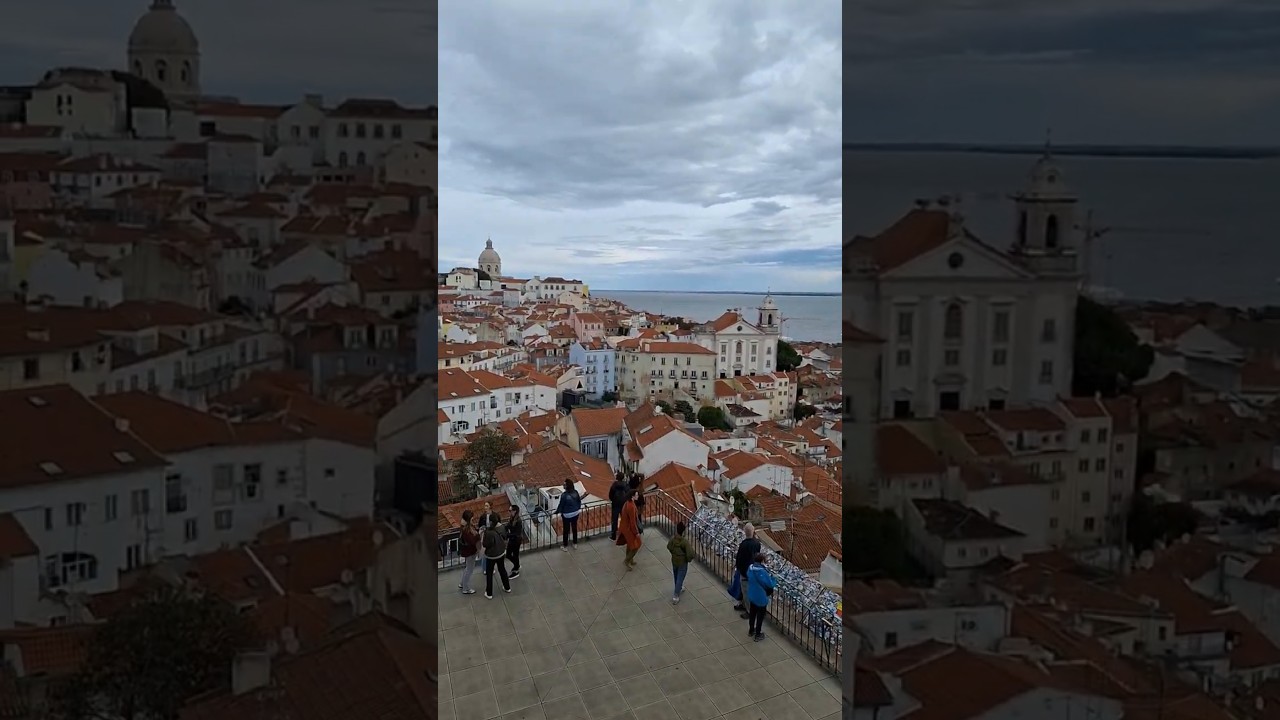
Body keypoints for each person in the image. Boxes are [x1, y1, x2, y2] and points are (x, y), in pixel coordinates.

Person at [745, 552, 776, 641]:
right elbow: (769, 584)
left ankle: (751, 630)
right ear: (762, 561)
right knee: (760, 616)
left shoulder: (750, 568)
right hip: (761, 597)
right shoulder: (762, 572)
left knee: (752, 613)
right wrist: (774, 579)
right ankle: (758, 634)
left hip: (752, 594)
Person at [733, 524, 761, 618]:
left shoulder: (744, 544)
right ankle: (743, 605)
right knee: (744, 590)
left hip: (745, 571)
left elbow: (739, 558)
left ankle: (749, 612)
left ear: (745, 532)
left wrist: (738, 568)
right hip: (753, 570)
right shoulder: (757, 544)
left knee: (746, 591)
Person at [481, 513, 511, 598]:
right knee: (502, 570)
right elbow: (505, 537)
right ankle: (507, 587)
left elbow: (485, 544)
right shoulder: (502, 527)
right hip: (501, 552)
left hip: (491, 555)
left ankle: (489, 593)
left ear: (490, 521)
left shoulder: (488, 532)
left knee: (489, 573)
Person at [666, 521, 694, 603]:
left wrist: (673, 553)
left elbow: (668, 546)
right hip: (682, 562)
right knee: (680, 578)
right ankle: (676, 595)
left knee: (676, 575)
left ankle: (678, 588)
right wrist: (688, 559)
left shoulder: (673, 539)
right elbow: (690, 553)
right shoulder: (684, 542)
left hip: (674, 560)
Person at [616, 489, 642, 570]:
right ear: (632, 496)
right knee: (637, 545)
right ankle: (627, 560)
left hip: (625, 527)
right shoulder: (631, 506)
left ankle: (630, 559)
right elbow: (632, 521)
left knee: (630, 544)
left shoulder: (628, 503)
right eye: (637, 495)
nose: (638, 496)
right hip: (629, 529)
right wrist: (636, 532)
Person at [555, 479, 582, 550]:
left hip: (567, 515)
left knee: (566, 530)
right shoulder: (575, 492)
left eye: (564, 485)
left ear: (567, 486)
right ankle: (575, 543)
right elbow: (579, 501)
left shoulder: (564, 495)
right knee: (574, 528)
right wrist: (577, 508)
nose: (563, 485)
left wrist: (557, 512)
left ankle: (565, 546)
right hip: (575, 513)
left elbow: (561, 505)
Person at [457, 510, 479, 595]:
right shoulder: (466, 530)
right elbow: (472, 541)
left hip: (468, 551)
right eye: (472, 517)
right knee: (469, 570)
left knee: (467, 568)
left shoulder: (465, 527)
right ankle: (466, 588)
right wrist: (478, 535)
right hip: (470, 552)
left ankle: (462, 583)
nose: (473, 518)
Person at [506, 506, 524, 579]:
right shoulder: (511, 519)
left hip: (516, 541)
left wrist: (508, 535)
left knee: (514, 555)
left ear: (515, 511)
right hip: (512, 540)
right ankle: (517, 565)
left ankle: (516, 569)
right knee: (509, 555)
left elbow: (517, 533)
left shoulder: (518, 521)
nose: (509, 512)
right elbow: (508, 527)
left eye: (510, 511)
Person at [608, 474, 628, 540]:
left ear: (618, 477)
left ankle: (613, 535)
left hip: (615, 504)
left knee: (614, 520)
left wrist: (613, 499)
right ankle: (625, 534)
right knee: (624, 519)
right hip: (623, 504)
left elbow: (610, 494)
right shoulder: (625, 484)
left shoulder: (614, 484)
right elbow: (628, 493)